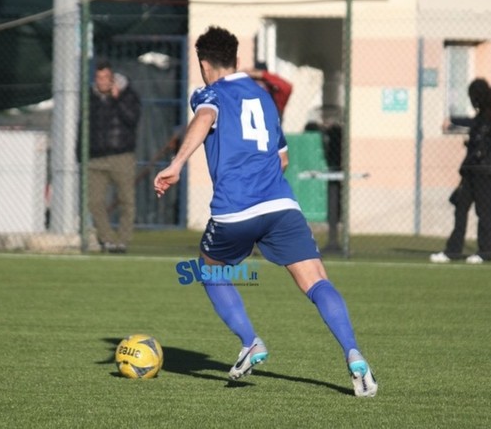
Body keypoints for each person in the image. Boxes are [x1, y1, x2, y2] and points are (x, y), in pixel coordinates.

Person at [153, 26, 377, 397]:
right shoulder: (265, 99)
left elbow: (205, 117)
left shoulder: (208, 93)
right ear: (238, 60)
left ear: (204, 64)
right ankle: (354, 354)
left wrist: (177, 164)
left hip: (235, 209)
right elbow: (283, 158)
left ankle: (250, 341)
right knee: (317, 281)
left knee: (210, 270)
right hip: (280, 206)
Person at [431, 78, 491, 264]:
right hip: (472, 171)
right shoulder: (485, 116)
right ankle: (454, 250)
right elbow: (474, 127)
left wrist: (475, 145)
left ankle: (485, 251)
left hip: (483, 171)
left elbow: (486, 140)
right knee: (461, 207)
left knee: (483, 212)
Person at [86, 59, 141, 253]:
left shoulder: (128, 95)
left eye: (106, 78)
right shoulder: (90, 98)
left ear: (112, 79)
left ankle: (123, 241)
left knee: (127, 201)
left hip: (121, 156)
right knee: (94, 202)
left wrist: (117, 99)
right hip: (96, 158)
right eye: (99, 78)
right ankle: (107, 239)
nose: (102, 82)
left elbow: (132, 119)